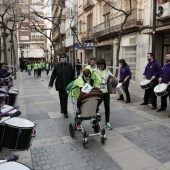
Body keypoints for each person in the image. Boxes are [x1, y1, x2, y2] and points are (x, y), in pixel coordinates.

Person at [48, 53, 74, 118]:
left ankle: (65, 112)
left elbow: (72, 75)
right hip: (59, 85)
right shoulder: (57, 66)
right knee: (61, 98)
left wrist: (73, 83)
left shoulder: (69, 66)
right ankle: (62, 109)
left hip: (67, 86)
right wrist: (50, 84)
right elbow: (53, 76)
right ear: (59, 59)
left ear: (65, 59)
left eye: (63, 58)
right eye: (61, 58)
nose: (62, 59)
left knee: (65, 98)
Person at [94, 58, 116, 130]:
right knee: (95, 107)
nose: (100, 67)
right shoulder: (94, 72)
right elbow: (90, 82)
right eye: (99, 65)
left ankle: (107, 122)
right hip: (97, 92)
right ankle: (95, 121)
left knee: (107, 107)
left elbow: (114, 81)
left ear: (104, 65)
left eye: (102, 65)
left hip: (106, 92)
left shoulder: (107, 72)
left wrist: (112, 80)